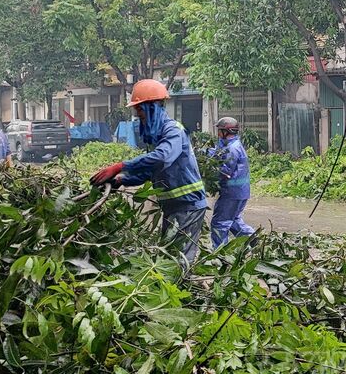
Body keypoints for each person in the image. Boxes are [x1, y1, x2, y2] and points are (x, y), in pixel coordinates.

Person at [89, 79, 208, 266]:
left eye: (140, 110)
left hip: (188, 204)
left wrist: (121, 166)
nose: (138, 115)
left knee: (178, 260)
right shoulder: (159, 135)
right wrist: (122, 180)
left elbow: (161, 158)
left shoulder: (173, 131)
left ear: (151, 107)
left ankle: (182, 292)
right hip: (173, 205)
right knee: (168, 255)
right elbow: (152, 171)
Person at [210, 117, 255, 248]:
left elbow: (224, 171)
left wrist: (208, 172)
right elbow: (218, 153)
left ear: (226, 131)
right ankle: (251, 238)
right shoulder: (232, 145)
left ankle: (220, 253)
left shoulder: (232, 149)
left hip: (231, 192)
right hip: (241, 191)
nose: (217, 134)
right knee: (233, 219)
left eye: (219, 131)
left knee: (220, 223)